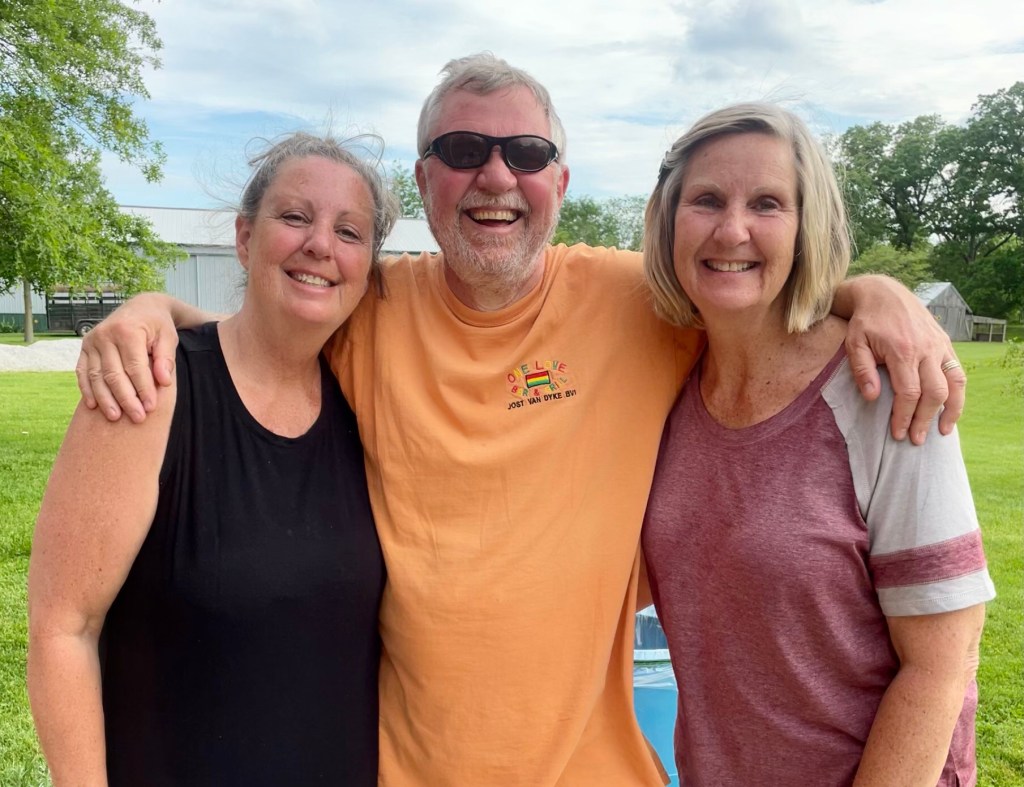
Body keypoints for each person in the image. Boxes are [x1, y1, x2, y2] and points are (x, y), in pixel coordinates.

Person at [73, 55, 967, 786]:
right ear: (424, 179)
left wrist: (875, 296)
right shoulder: (372, 308)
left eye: (527, 152)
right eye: (464, 148)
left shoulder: (638, 303)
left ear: (559, 181)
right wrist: (151, 311)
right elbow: (265, 329)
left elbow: (748, 285)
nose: (496, 175)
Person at [27, 132, 399, 786]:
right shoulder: (150, 387)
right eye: (295, 216)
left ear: (368, 267)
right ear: (244, 238)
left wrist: (161, 304)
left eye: (349, 231)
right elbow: (63, 629)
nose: (320, 244)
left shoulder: (366, 403)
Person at [641, 103, 995, 786]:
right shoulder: (666, 382)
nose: (732, 229)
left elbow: (942, 663)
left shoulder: (883, 387)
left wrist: (876, 293)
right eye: (706, 199)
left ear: (808, 227)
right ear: (669, 220)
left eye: (767, 203)